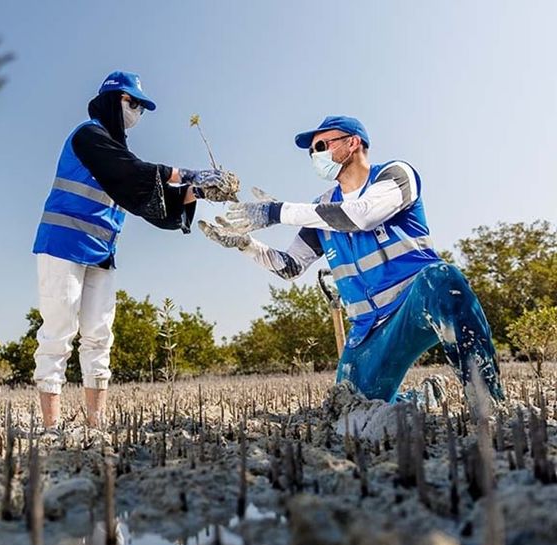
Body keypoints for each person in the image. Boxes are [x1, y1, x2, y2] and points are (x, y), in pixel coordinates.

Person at [201, 115, 503, 405]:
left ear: (353, 143)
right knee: (353, 407)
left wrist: (277, 211)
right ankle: (421, 400)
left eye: (321, 146)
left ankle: (488, 403)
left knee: (442, 278)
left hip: (416, 302)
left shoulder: (395, 175)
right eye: (311, 152)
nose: (315, 156)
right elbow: (290, 266)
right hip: (367, 329)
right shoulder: (321, 209)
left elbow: (363, 215)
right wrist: (245, 245)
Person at [32, 70, 232, 429]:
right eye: (133, 103)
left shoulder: (118, 153)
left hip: (101, 252)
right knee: (58, 332)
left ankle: (96, 423)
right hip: (62, 244)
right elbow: (133, 172)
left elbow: (151, 198)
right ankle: (51, 428)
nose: (137, 112)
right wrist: (190, 172)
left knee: (98, 334)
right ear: (113, 100)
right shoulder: (89, 136)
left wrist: (200, 190)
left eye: (141, 107)